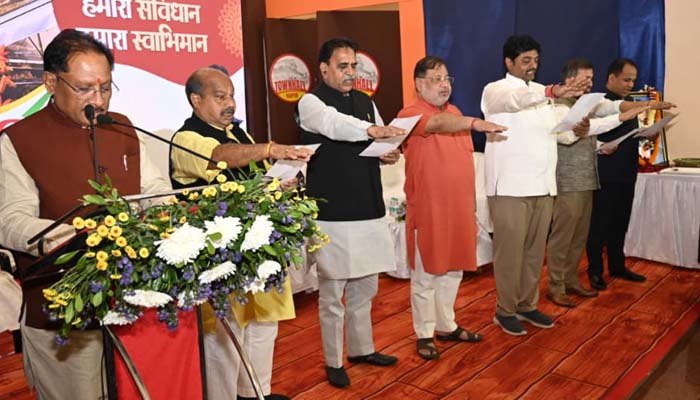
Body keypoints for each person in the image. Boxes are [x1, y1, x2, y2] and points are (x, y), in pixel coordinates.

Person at [0, 29, 172, 399]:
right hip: (62, 310)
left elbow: (154, 188)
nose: (99, 100)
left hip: (133, 304)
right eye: (84, 89)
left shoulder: (122, 126)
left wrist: (168, 216)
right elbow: (11, 220)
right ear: (51, 82)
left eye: (106, 88)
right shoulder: (18, 140)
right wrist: (71, 236)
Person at [170, 66, 311, 400]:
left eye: (232, 95)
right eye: (220, 97)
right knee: (225, 334)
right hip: (218, 255)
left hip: (259, 247)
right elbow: (217, 158)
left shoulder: (239, 134)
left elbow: (258, 179)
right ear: (196, 100)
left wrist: (282, 182)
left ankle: (255, 392)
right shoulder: (185, 138)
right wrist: (270, 149)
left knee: (264, 324)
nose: (230, 103)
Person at [297, 37, 403, 388]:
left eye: (354, 65)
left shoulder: (365, 101)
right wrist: (372, 130)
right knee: (332, 295)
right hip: (332, 211)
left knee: (366, 287)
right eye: (343, 66)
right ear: (324, 68)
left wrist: (388, 152)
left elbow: (379, 140)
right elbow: (335, 124)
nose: (350, 72)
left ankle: (361, 349)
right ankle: (333, 360)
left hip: (368, 205)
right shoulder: (311, 102)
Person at [397, 56, 506, 359]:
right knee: (426, 274)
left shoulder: (455, 111)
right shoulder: (410, 113)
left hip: (459, 209)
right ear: (419, 84)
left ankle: (446, 325)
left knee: (453, 270)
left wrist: (470, 206)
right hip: (429, 210)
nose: (444, 85)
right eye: (436, 79)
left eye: (447, 79)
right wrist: (475, 123)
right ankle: (424, 333)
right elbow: (437, 124)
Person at [480, 34, 587, 336]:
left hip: (543, 185)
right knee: (510, 253)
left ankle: (527, 304)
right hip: (510, 187)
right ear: (508, 62)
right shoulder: (496, 90)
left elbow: (559, 134)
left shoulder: (543, 94)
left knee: (533, 253)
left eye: (536, 60)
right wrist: (551, 91)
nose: (532, 65)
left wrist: (578, 129)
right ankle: (505, 310)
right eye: (526, 60)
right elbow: (515, 101)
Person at [546, 58, 649, 307]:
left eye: (591, 79)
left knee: (579, 236)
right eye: (585, 79)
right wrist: (618, 119)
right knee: (563, 236)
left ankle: (571, 280)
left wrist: (601, 145)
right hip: (568, 180)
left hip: (588, 178)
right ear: (569, 79)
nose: (590, 83)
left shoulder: (585, 104)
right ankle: (556, 285)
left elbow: (591, 132)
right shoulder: (556, 105)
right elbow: (566, 137)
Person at [585, 58, 674, 291]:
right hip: (605, 173)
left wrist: (648, 134)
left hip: (626, 171)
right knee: (600, 224)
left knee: (620, 221)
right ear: (611, 78)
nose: (630, 84)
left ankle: (617, 266)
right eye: (626, 80)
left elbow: (628, 135)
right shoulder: (598, 103)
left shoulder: (631, 103)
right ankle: (595, 271)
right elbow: (591, 135)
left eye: (633, 80)